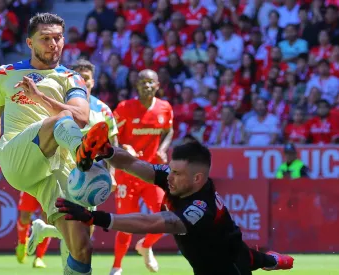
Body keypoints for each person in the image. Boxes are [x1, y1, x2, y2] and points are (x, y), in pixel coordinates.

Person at [0, 13, 109, 275]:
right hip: (17, 156)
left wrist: (39, 97)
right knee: (61, 119)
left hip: (53, 165)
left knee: (82, 246)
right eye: (45, 38)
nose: (53, 43)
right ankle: (84, 154)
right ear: (30, 43)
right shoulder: (7, 73)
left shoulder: (73, 78)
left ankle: (80, 156)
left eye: (58, 38)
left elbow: (82, 116)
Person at [56, 141, 294, 275]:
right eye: (171, 169)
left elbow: (153, 223)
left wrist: (94, 217)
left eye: (177, 173)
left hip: (228, 270)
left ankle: (272, 260)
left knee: (252, 258)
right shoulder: (175, 178)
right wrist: (107, 151)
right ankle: (273, 260)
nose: (170, 176)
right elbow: (131, 162)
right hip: (229, 251)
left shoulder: (200, 207)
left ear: (198, 179)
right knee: (258, 258)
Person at [25, 59, 119, 268]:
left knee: (85, 229)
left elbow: (112, 144)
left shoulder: (103, 110)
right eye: (78, 77)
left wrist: (112, 174)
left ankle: (44, 230)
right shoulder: (57, 105)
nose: (82, 81)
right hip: (63, 172)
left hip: (92, 176)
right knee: (75, 234)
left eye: (86, 78)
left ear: (92, 82)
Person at [111, 69, 173, 274]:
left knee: (166, 218)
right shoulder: (124, 108)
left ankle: (145, 246)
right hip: (127, 173)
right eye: (142, 82)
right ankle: (117, 267)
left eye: (150, 82)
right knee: (126, 224)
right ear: (136, 85)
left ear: (157, 86)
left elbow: (169, 130)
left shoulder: (165, 108)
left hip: (152, 174)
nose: (146, 85)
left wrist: (163, 149)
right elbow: (110, 133)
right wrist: (122, 148)